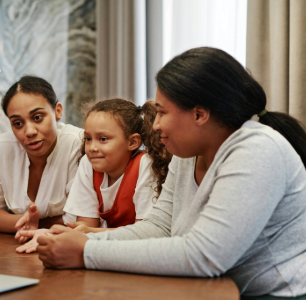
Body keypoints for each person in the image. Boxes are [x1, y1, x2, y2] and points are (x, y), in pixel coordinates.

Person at [36, 47, 306, 297]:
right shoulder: (188, 153)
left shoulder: (256, 152)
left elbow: (204, 256)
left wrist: (86, 252)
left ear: (199, 115)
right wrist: (80, 239)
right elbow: (160, 227)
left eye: (162, 113)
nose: (154, 125)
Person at [16, 98, 172, 253]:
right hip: (107, 250)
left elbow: (144, 234)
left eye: (103, 139)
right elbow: (85, 225)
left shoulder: (144, 164)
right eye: (88, 139)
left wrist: (89, 233)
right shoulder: (88, 164)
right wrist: (54, 235)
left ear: (132, 142)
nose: (92, 148)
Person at [0, 75, 83, 241]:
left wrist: (30, 223)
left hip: (65, 246)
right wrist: (28, 223)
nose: (29, 131)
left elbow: (81, 219)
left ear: (57, 111)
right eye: (18, 123)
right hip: (12, 248)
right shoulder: (1, 147)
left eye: (37, 117)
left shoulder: (78, 143)